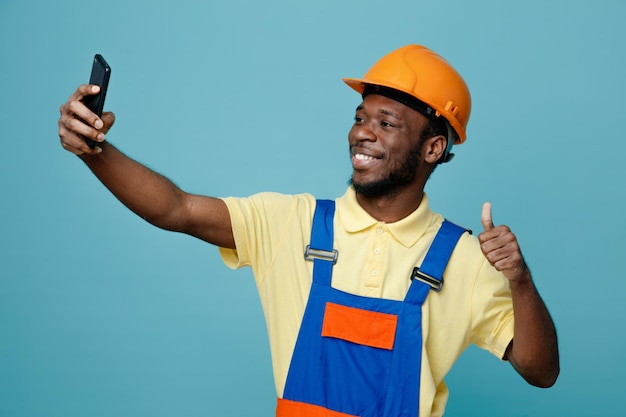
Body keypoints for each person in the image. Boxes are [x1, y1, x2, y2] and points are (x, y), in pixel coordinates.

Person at [58, 44, 559, 417]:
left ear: (432, 148)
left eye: (387, 123)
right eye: (361, 117)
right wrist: (94, 151)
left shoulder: (467, 259)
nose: (363, 131)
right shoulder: (291, 223)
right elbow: (177, 209)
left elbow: (541, 372)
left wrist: (520, 280)